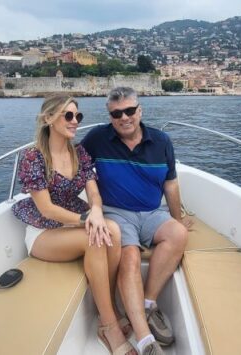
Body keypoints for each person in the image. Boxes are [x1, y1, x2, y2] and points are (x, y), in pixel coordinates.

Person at [11, 94, 136, 355]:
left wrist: (98, 211)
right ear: (48, 119)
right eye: (68, 115)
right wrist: (85, 219)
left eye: (78, 116)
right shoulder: (33, 157)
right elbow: (46, 208)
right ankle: (109, 326)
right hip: (44, 232)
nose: (75, 121)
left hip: (73, 225)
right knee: (95, 237)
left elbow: (93, 192)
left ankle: (109, 304)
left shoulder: (79, 152)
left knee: (111, 230)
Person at [82, 87, 191, 355]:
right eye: (116, 113)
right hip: (116, 213)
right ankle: (145, 341)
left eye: (130, 110)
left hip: (153, 213)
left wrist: (178, 217)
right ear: (110, 116)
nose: (124, 117)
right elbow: (71, 163)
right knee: (129, 257)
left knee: (178, 234)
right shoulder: (97, 138)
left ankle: (148, 303)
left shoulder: (161, 141)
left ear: (140, 111)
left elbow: (171, 183)